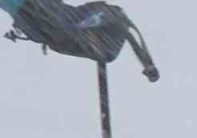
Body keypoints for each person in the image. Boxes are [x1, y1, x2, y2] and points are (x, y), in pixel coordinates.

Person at [3, 0, 158, 81]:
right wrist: (148, 65)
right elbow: (131, 32)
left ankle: (88, 41)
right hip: (41, 18)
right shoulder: (114, 16)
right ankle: (88, 41)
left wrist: (148, 65)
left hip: (37, 21)